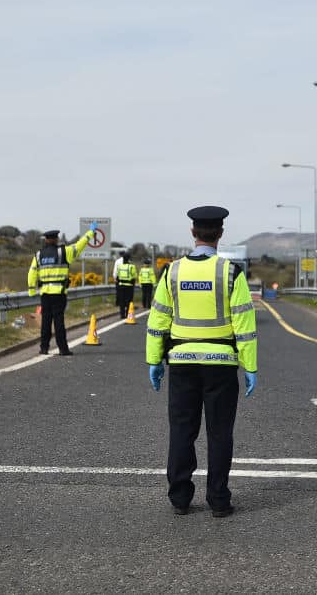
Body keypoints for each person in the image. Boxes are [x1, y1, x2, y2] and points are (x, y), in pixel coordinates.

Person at [145, 206, 258, 518]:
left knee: (182, 429)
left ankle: (180, 497)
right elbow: (244, 327)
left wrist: (154, 360)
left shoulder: (172, 271)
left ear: (193, 234)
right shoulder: (231, 273)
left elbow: (158, 320)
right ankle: (218, 500)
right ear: (220, 234)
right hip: (221, 365)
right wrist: (250, 367)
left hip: (181, 363)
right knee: (220, 433)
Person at [28, 223, 97, 355]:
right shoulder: (64, 252)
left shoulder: (38, 255)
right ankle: (63, 349)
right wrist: (90, 233)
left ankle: (44, 348)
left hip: (45, 294)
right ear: (56, 239)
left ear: (46, 240)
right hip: (59, 293)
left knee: (46, 322)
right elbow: (80, 245)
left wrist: (32, 290)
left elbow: (32, 272)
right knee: (59, 321)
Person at [115, 251, 137, 318]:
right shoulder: (132, 267)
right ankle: (128, 314)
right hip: (129, 286)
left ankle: (122, 315)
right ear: (129, 259)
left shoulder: (119, 266)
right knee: (129, 301)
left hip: (121, 286)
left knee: (121, 301)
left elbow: (117, 276)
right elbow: (134, 276)